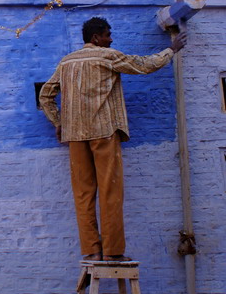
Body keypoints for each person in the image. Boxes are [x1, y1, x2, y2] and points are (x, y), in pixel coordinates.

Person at [39, 17, 186, 262]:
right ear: (96, 38)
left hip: (75, 136)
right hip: (103, 132)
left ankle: (92, 251)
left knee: (83, 195)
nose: (111, 39)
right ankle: (113, 252)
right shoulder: (107, 56)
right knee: (110, 192)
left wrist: (58, 122)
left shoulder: (66, 62)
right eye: (108, 34)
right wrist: (172, 49)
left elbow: (46, 95)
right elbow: (144, 65)